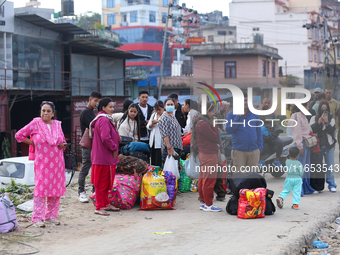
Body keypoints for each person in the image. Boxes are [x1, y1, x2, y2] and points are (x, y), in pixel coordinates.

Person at [15, 101, 67, 227]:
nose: (45, 113)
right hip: (43, 163)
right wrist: (32, 143)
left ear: (53, 114)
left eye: (48, 111)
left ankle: (51, 216)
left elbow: (63, 141)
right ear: (40, 112)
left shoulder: (57, 125)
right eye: (43, 110)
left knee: (55, 190)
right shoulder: (35, 123)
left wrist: (63, 145)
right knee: (40, 189)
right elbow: (19, 135)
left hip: (57, 163)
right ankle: (37, 218)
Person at [90, 97, 121, 216]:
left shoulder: (105, 119)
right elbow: (105, 138)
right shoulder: (103, 120)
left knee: (107, 181)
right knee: (101, 183)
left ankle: (106, 203)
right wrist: (114, 146)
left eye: (113, 107)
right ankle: (99, 206)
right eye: (110, 107)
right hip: (103, 156)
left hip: (105, 156)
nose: (112, 109)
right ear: (103, 108)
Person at [191, 101, 222, 212]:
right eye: (212, 111)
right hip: (209, 154)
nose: (213, 114)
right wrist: (215, 125)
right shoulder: (204, 124)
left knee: (203, 179)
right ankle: (209, 204)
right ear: (207, 111)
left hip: (204, 154)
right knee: (209, 180)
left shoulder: (200, 122)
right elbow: (214, 137)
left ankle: (203, 203)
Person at [226, 93, 263, 173]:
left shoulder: (254, 114)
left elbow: (258, 132)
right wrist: (238, 117)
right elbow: (229, 129)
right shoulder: (231, 114)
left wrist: (259, 148)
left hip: (254, 151)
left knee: (252, 178)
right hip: (239, 151)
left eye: (246, 100)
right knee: (239, 178)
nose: (245, 102)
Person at [78, 91, 102, 203]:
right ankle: (81, 192)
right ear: (90, 100)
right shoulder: (86, 113)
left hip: (94, 145)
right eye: (95, 101)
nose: (97, 103)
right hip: (88, 145)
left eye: (99, 101)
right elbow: (95, 126)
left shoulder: (92, 112)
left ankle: (94, 191)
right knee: (85, 168)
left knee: (95, 168)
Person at [289, 103, 316, 196]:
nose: (308, 108)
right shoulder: (296, 116)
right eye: (307, 106)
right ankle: (298, 190)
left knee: (306, 167)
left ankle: (306, 188)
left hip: (306, 143)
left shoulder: (303, 116)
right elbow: (297, 132)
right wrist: (300, 146)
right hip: (301, 143)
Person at [310, 101, 337, 192]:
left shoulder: (331, 119)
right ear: (319, 109)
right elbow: (312, 130)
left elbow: (331, 131)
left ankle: (331, 184)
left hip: (328, 145)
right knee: (318, 166)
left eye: (326, 110)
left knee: (330, 165)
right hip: (318, 146)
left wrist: (326, 122)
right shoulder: (314, 118)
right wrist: (319, 122)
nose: (324, 112)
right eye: (322, 109)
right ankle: (318, 186)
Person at [258, 97, 284, 169]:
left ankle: (277, 161)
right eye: (265, 102)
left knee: (280, 142)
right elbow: (259, 120)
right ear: (262, 103)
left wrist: (276, 132)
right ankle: (261, 160)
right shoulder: (257, 112)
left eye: (268, 103)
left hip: (270, 135)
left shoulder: (272, 114)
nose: (267, 104)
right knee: (257, 143)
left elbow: (275, 124)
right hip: (261, 135)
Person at [147, 100, 164, 167]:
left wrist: (157, 121)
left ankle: (159, 173)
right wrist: (152, 124)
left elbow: (166, 125)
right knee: (153, 158)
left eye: (159, 110)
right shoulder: (154, 114)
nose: (158, 112)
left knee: (159, 158)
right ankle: (154, 174)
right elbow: (148, 126)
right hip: (153, 140)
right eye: (157, 110)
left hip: (161, 140)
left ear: (163, 108)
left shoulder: (165, 115)